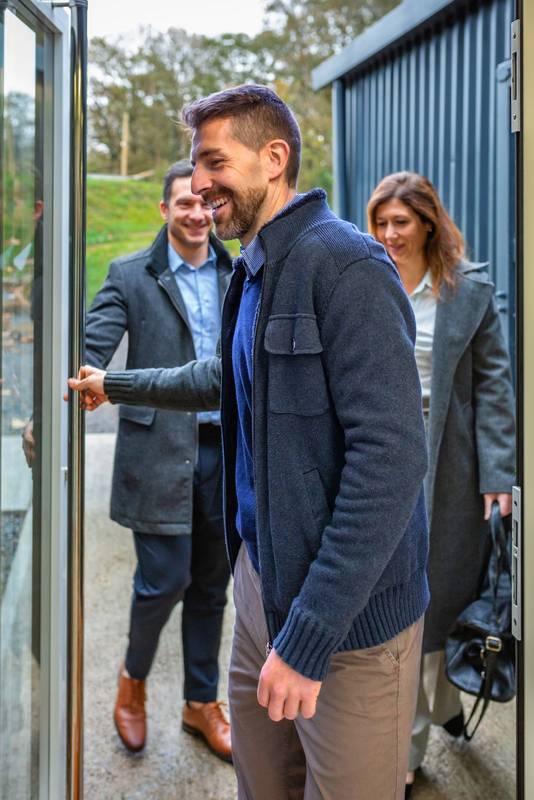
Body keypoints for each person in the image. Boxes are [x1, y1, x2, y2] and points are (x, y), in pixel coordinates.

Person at [69, 85, 429, 800]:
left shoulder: (347, 265)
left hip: (349, 628)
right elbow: (224, 378)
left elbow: (391, 462)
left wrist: (309, 637)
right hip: (263, 595)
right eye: (194, 164)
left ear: (274, 157)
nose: (199, 182)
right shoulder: (255, 269)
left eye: (214, 161)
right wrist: (118, 383)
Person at [367, 171, 516, 798]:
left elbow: (493, 385)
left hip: (448, 462)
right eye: (380, 222)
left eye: (401, 222)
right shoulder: (366, 277)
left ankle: (408, 749)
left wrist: (498, 473)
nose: (389, 234)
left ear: (428, 223)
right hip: (379, 454)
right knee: (393, 597)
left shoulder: (467, 290)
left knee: (438, 597)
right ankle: (431, 715)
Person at [84, 161, 233, 760]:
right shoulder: (130, 275)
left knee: (212, 585)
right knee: (164, 579)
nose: (196, 214)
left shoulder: (238, 271)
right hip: (157, 452)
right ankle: (133, 683)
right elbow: (91, 349)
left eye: (204, 203)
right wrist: (67, 392)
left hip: (225, 452)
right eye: (183, 203)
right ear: (164, 210)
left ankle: (200, 703)